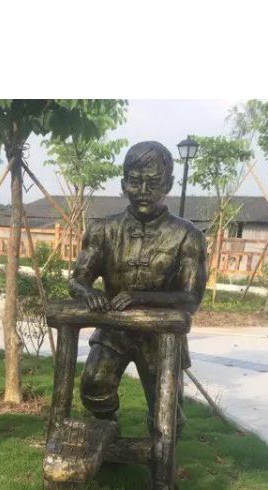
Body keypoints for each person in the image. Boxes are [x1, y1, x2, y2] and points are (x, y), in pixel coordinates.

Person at [68, 140, 207, 433]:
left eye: (153, 183)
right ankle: (107, 435)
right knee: (94, 385)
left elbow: (191, 298)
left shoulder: (187, 235)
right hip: (114, 330)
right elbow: (77, 279)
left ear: (168, 184)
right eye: (135, 182)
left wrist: (140, 297)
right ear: (123, 184)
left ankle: (162, 455)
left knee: (166, 412)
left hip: (161, 336)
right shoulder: (103, 230)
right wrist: (88, 293)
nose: (143, 191)